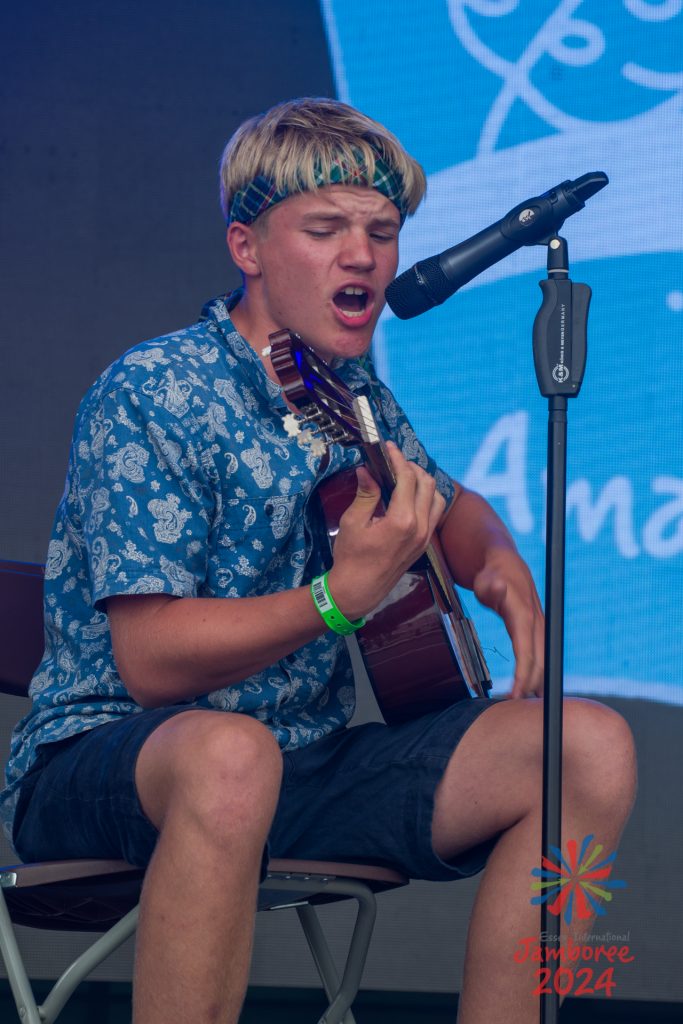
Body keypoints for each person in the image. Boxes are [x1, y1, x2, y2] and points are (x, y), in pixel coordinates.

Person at [1, 97, 635, 1024]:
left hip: (303, 767)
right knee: (228, 754)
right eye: (325, 228)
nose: (364, 255)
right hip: (108, 766)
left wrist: (503, 575)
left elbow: (453, 515)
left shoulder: (355, 398)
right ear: (247, 248)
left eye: (382, 232)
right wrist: (337, 602)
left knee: (588, 748)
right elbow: (149, 662)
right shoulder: (152, 389)